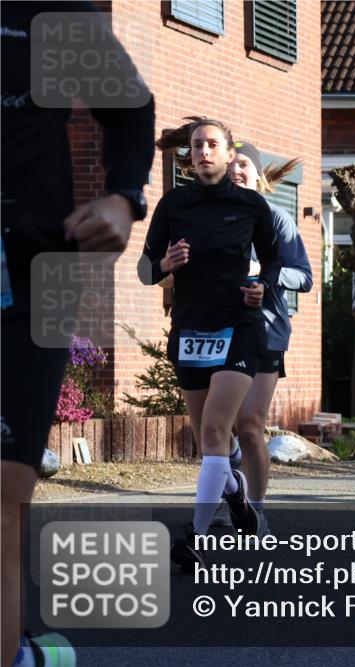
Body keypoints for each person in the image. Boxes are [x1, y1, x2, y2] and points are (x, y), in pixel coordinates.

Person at [2, 3, 154, 664]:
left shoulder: (48, 13)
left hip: (34, 274)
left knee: (1, 504)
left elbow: (130, 107)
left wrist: (123, 196)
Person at [141, 118, 281, 570]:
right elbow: (145, 271)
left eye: (213, 145)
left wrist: (265, 290)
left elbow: (277, 262)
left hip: (239, 326)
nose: (204, 152)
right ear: (190, 155)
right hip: (190, 329)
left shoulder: (249, 205)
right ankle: (237, 491)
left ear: (226, 152)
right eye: (197, 145)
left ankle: (196, 537)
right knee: (208, 441)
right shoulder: (173, 204)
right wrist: (166, 261)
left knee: (219, 430)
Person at [226, 141, 313, 532]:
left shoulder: (277, 219)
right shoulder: (214, 220)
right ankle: (228, 497)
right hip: (219, 331)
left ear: (257, 173)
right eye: (231, 164)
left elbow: (304, 277)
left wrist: (268, 274)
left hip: (266, 332)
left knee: (249, 423)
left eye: (243, 164)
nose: (235, 170)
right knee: (218, 428)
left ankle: (254, 510)